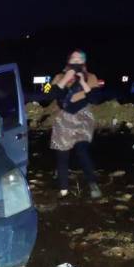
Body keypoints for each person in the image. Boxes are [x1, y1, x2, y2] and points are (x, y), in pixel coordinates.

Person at [50, 50, 102, 199]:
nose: (76, 61)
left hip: (82, 116)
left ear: (84, 63)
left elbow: (94, 99)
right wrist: (66, 78)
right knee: (62, 154)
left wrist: (83, 82)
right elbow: (54, 95)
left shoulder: (91, 77)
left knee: (81, 150)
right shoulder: (60, 77)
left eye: (80, 59)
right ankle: (63, 189)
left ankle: (93, 184)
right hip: (63, 117)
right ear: (68, 61)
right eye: (74, 58)